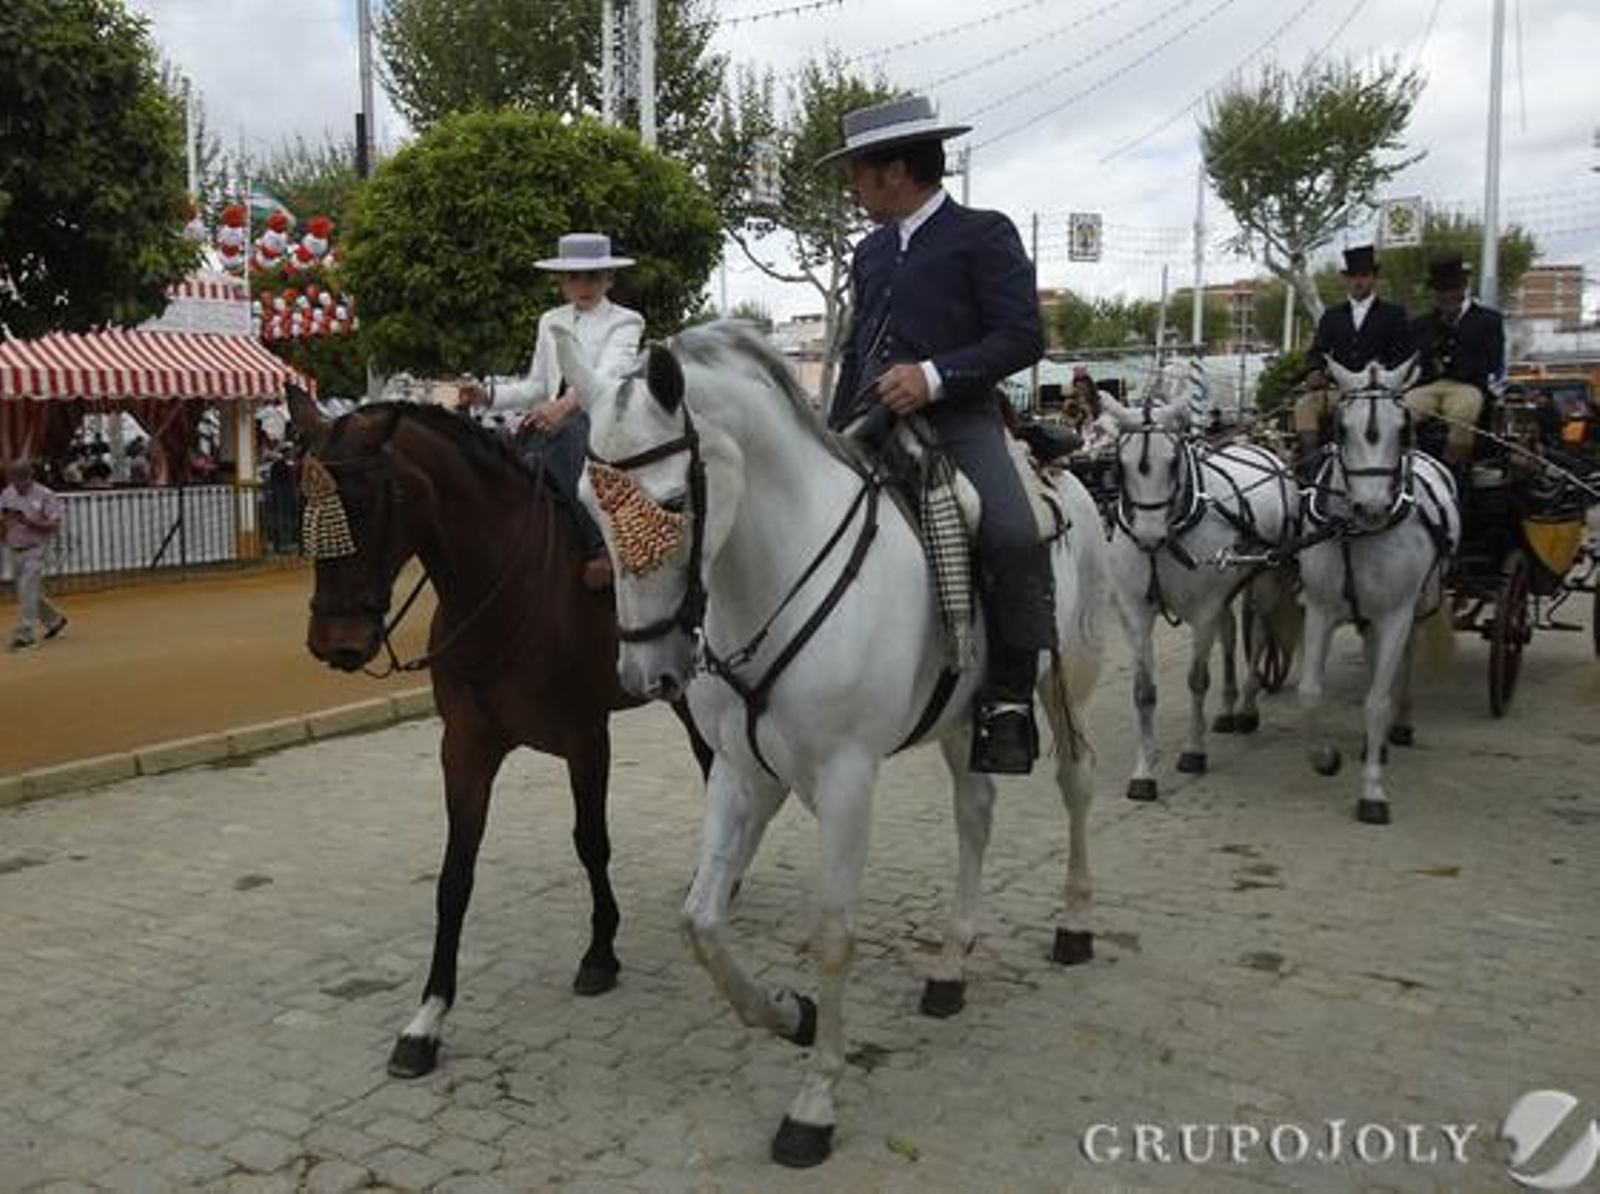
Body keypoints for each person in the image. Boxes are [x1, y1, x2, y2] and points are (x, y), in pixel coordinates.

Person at [822, 94, 1049, 775]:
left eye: (857, 171)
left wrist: (934, 375)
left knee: (1013, 532)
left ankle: (1008, 700)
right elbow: (858, 349)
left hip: (958, 421)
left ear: (894, 171)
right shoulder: (869, 252)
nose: (853, 186)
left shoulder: (983, 233)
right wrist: (829, 432)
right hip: (870, 421)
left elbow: (1023, 336)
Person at [468, 232, 643, 591]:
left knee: (570, 432)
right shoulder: (550, 320)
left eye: (593, 276)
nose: (584, 285)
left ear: (609, 278)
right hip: (551, 419)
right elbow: (536, 385)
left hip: (601, 419)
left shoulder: (626, 321)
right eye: (574, 277)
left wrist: (562, 407)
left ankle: (600, 547)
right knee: (490, 448)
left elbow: (606, 377)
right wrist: (486, 395)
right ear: (562, 281)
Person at [1293, 244, 1412, 476]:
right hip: (1343, 392)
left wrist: (1383, 379)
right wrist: (1314, 371)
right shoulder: (1332, 316)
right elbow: (1318, 351)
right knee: (1304, 405)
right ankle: (1312, 468)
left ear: (1374, 278)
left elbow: (1402, 354)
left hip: (1379, 393)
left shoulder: (1394, 314)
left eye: (1365, 276)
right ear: (1347, 280)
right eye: (1354, 276)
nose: (1359, 281)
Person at [1406, 255, 1505, 470]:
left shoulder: (1488, 320)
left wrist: (1455, 367)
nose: (1447, 295)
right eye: (1441, 290)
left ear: (1463, 288)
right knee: (1398, 413)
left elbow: (1493, 360)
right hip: (1429, 386)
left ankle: (1454, 468)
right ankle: (1409, 466)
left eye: (1452, 289)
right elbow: (1412, 358)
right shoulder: (1421, 324)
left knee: (1463, 414)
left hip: (1467, 386)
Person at [2, 459, 68, 650]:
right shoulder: (7, 493)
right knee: (28, 591)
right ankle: (54, 620)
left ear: (30, 475)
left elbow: (54, 525)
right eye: (14, 478)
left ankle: (25, 636)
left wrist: (28, 522)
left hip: (36, 549)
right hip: (14, 549)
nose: (17, 483)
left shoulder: (46, 495)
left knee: (26, 590)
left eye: (21, 478)